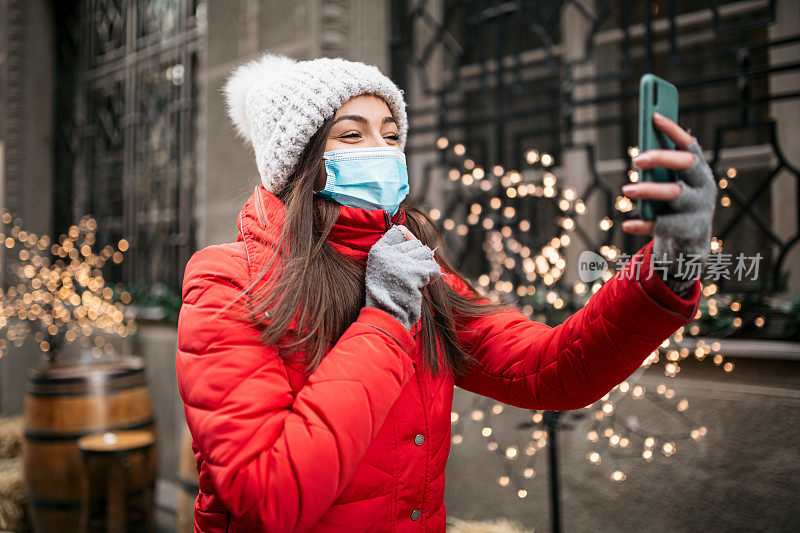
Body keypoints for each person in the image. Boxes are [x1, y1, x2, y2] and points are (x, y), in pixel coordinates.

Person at [175, 53, 716, 533]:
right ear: (298, 160)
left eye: (391, 134)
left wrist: (671, 263)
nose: (382, 151)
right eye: (351, 134)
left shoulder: (412, 266)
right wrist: (384, 318)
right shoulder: (227, 280)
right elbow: (267, 495)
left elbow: (549, 368)